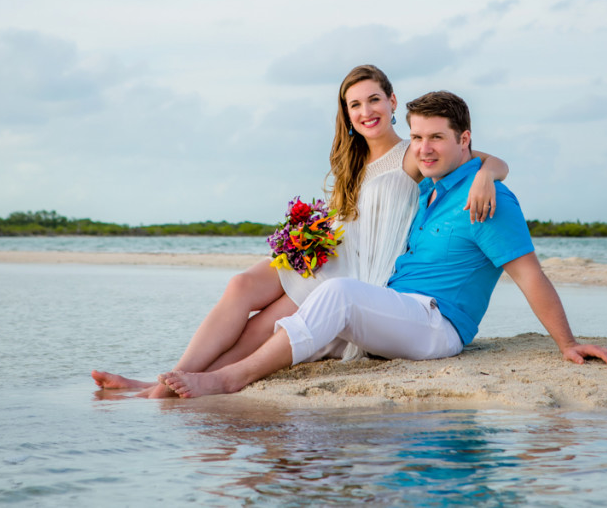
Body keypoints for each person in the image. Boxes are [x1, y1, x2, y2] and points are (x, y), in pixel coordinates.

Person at [159, 91, 607, 398]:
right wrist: (488, 166)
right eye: (417, 137)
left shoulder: (488, 201)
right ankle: (174, 382)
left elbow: (529, 275)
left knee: (335, 295)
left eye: (436, 138)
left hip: (437, 324)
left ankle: (229, 378)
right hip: (397, 307)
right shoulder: (429, 190)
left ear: (465, 140)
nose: (423, 149)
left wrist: (567, 343)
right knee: (278, 311)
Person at [93, 67, 510, 397]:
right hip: (326, 254)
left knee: (261, 328)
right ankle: (168, 377)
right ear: (346, 113)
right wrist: (306, 237)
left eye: (374, 100)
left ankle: (166, 387)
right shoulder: (353, 162)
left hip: (356, 271)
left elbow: (490, 162)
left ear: (392, 101)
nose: (366, 111)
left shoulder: (413, 153)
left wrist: (486, 177)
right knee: (240, 284)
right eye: (355, 105)